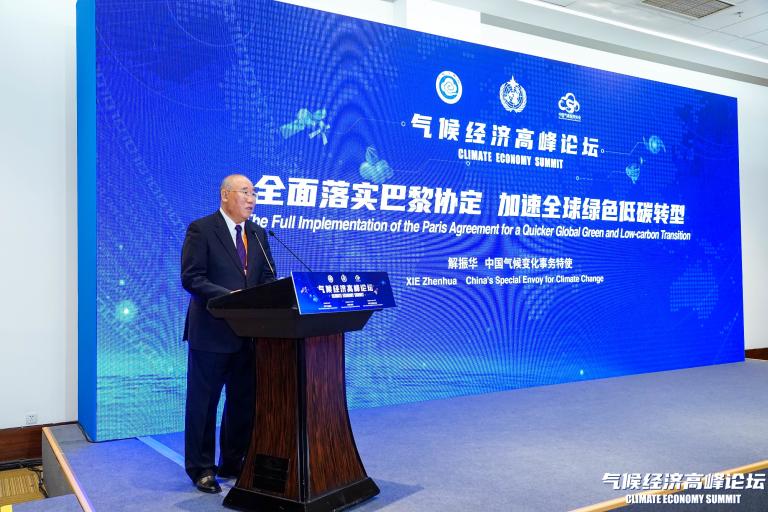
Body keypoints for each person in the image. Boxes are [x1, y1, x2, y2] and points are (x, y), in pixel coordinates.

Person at [181, 174, 276, 493]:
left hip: (249, 336)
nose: (252, 199)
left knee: (243, 402)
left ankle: (234, 461)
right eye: (245, 193)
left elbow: (267, 279)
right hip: (211, 332)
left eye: (254, 194)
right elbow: (192, 278)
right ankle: (201, 468)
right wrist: (230, 297)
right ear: (225, 195)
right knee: (203, 404)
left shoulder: (259, 234)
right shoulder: (202, 229)